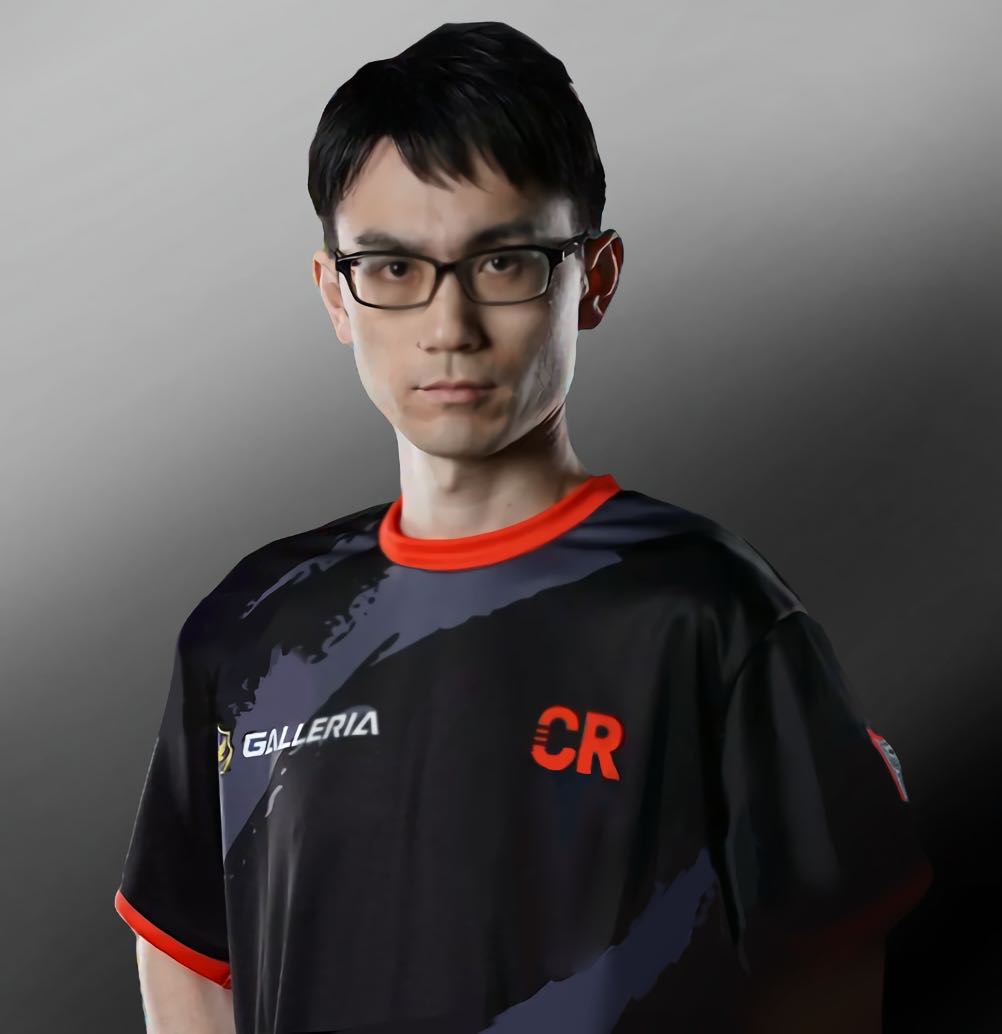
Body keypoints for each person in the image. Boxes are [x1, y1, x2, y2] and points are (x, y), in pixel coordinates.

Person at [113, 20, 933, 1033]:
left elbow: (826, 970)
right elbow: (189, 954)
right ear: (335, 293)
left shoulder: (708, 616)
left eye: (503, 262)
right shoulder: (247, 628)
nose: (448, 327)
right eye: (393, 268)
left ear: (595, 276)